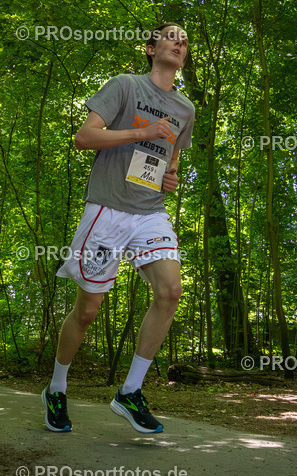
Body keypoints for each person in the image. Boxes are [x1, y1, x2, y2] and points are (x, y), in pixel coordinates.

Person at [42, 23, 195, 434]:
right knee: (88, 310)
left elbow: (173, 157)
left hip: (150, 212)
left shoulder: (185, 109)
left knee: (171, 291)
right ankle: (57, 387)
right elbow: (84, 137)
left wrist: (172, 177)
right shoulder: (125, 86)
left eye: (185, 41)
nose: (180, 43)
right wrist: (140, 132)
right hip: (108, 209)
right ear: (150, 48)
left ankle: (130, 391)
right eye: (172, 36)